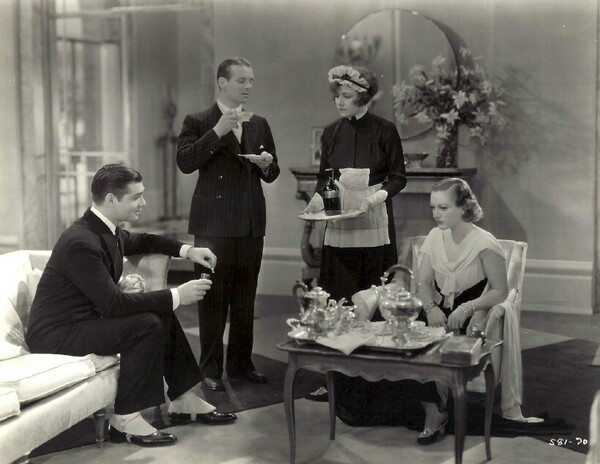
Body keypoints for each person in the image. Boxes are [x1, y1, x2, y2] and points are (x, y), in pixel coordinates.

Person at [26, 164, 237, 448]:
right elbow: (114, 305)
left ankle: (184, 399)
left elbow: (144, 240)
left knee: (159, 312)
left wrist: (188, 251)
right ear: (111, 199)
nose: (143, 203)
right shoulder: (81, 241)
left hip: (80, 323)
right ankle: (124, 419)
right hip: (55, 335)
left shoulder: (104, 229)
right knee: (146, 324)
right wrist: (177, 295)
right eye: (136, 197)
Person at [334, 177, 509, 445]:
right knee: (394, 328)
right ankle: (402, 404)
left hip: (467, 319)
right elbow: (424, 283)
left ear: (464, 207)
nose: (436, 214)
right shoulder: (435, 237)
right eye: (433, 208)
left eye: (443, 208)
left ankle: (433, 412)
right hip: (437, 311)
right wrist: (430, 307)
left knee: (421, 342)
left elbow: (500, 291)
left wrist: (467, 308)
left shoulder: (485, 243)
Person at [303, 64, 407, 401]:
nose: (339, 101)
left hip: (373, 221)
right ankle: (335, 380)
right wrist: (317, 202)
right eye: (337, 96)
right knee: (338, 299)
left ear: (363, 97)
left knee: (372, 297)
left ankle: (376, 381)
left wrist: (375, 199)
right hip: (340, 223)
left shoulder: (384, 130)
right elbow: (326, 177)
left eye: (346, 96)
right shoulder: (331, 132)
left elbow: (398, 177)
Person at [176, 57, 280, 392]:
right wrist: (217, 132)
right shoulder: (198, 121)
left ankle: (241, 366)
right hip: (213, 226)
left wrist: (266, 165)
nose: (248, 86)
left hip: (250, 223)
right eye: (241, 81)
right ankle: (210, 370)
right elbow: (185, 162)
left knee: (245, 300)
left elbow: (273, 172)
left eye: (251, 81)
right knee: (212, 300)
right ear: (222, 82)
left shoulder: (259, 123)